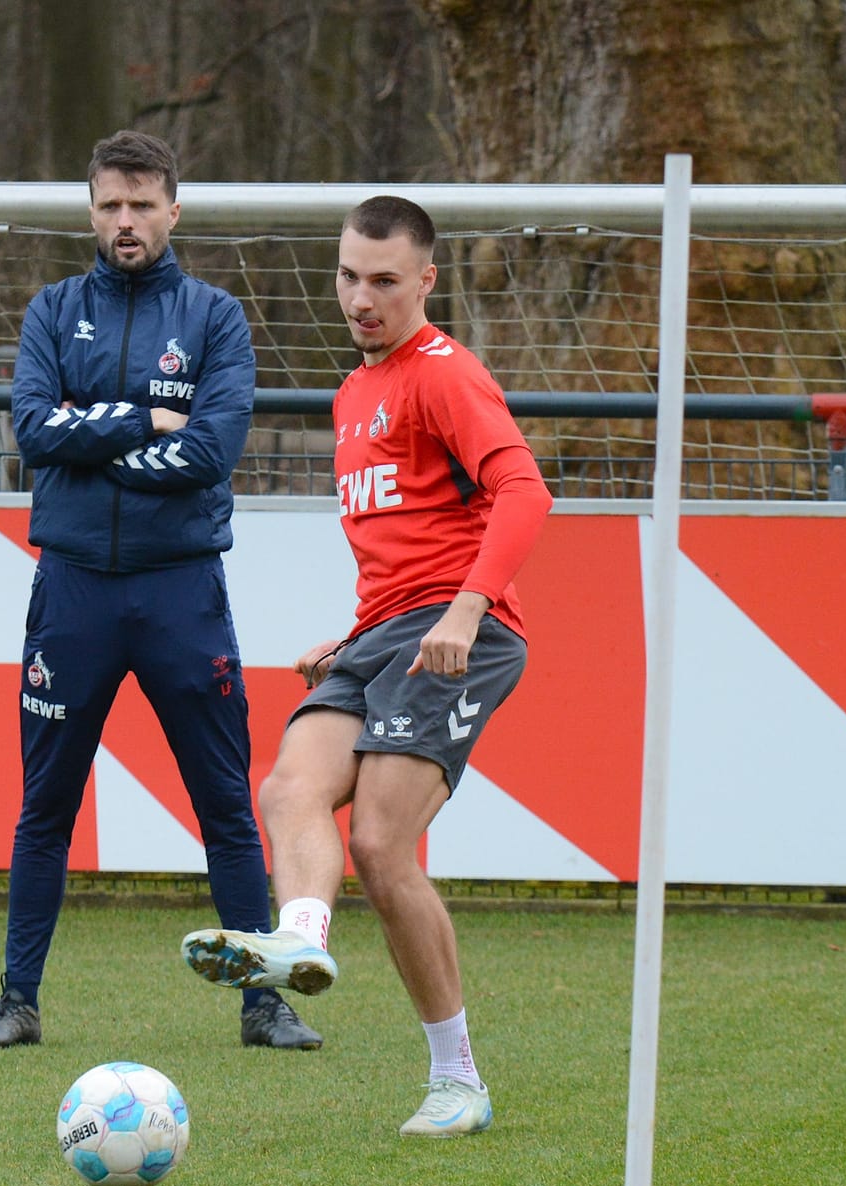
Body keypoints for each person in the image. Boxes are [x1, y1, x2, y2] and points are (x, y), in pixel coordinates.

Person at [181, 195, 553, 1136]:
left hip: (458, 633)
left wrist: (467, 608)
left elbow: (524, 491)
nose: (361, 297)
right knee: (286, 789)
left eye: (384, 281)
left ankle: (458, 1081)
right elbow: (400, 544)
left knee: (385, 849)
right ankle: (299, 942)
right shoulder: (354, 392)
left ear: (425, 281)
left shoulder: (443, 375)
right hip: (381, 634)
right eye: (349, 276)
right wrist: (352, 641)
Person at [0, 130, 320, 1052]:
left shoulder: (214, 318)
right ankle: (16, 1001)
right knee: (46, 806)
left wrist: (99, 440)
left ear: (174, 209)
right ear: (91, 211)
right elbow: (35, 431)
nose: (126, 221)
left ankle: (263, 1002)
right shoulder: (51, 310)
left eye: (143, 204)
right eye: (111, 205)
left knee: (225, 805)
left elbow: (210, 452)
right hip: (73, 593)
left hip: (179, 593)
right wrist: (143, 420)